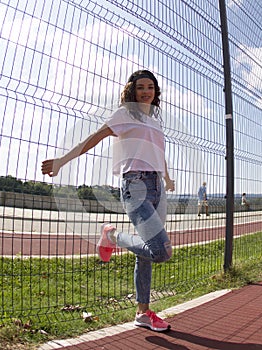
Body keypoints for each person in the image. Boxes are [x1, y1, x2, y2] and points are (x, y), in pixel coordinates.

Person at [41, 70, 175, 332]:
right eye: (140, 87)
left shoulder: (156, 123)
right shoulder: (125, 114)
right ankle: (112, 237)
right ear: (132, 91)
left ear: (156, 92)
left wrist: (167, 179)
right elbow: (93, 138)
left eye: (150, 87)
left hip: (157, 187)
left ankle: (142, 313)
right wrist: (61, 161)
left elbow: (158, 153)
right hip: (135, 185)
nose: (146, 91)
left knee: (146, 254)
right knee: (161, 251)